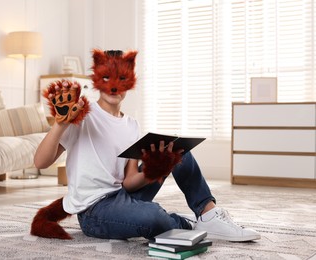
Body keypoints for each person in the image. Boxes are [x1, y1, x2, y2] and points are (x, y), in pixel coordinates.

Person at [32, 49, 260, 242]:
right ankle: (184, 223)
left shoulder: (131, 125)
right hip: (95, 211)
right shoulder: (82, 114)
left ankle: (208, 214)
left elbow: (130, 183)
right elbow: (40, 162)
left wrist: (155, 169)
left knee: (178, 151)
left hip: (123, 196)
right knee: (154, 218)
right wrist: (60, 124)